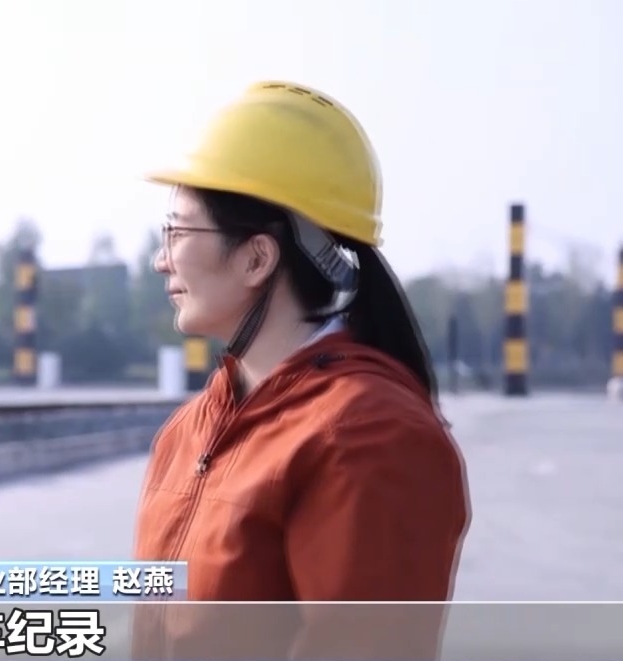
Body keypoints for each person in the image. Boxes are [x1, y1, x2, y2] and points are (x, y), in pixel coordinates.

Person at [131, 82, 470, 659]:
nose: (161, 259)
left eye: (178, 231)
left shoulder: (369, 438)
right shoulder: (187, 432)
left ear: (257, 257)